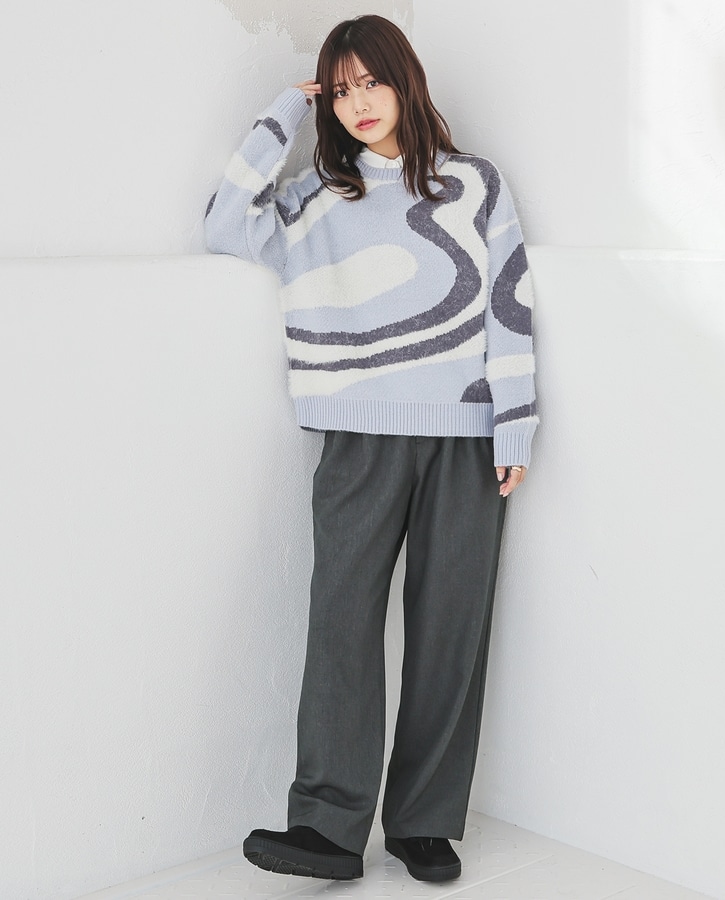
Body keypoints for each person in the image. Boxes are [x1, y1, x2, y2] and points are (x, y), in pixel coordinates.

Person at [205, 13, 537, 884]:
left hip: (466, 436)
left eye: (372, 81)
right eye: (342, 88)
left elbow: (508, 300)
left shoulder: (475, 184)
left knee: (450, 630)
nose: (358, 102)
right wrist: (284, 111)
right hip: (358, 437)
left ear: (405, 80)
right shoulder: (318, 195)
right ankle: (326, 827)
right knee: (341, 626)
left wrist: (515, 420)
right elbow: (223, 221)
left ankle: (424, 822)